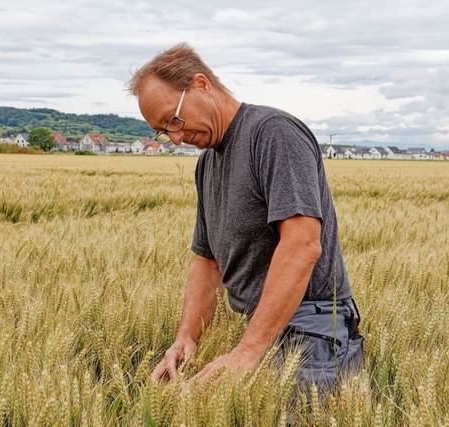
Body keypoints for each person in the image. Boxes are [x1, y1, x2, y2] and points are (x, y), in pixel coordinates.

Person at [127, 43, 363, 389]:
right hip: (264, 324)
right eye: (163, 131)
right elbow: (208, 263)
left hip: (312, 330)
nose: (176, 138)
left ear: (201, 85)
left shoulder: (272, 134)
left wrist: (248, 350)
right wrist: (186, 338)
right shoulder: (207, 165)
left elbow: (302, 244)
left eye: (173, 120)